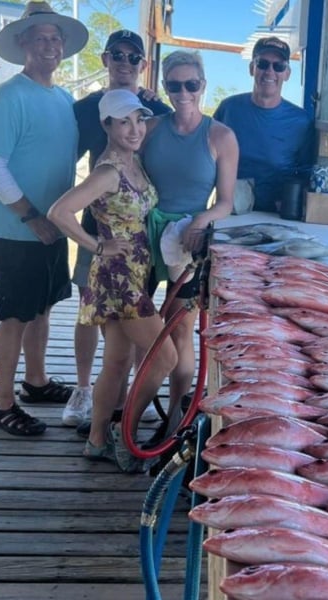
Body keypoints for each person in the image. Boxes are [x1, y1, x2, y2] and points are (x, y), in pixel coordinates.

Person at [0, 1, 87, 436]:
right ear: (23, 44)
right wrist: (29, 216)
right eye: (39, 37)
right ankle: (2, 405)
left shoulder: (63, 98)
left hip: (52, 226)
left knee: (43, 308)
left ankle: (35, 382)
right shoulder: (9, 96)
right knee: (16, 315)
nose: (49, 45)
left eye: (55, 38)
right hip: (18, 229)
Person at [48, 89, 175, 472]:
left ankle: (97, 438)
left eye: (139, 120)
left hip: (133, 272)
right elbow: (60, 211)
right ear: (107, 125)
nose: (135, 128)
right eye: (125, 121)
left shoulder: (132, 161)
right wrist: (96, 246)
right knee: (164, 357)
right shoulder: (108, 171)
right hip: (119, 280)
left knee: (118, 361)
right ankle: (126, 431)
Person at [63, 29, 171, 428]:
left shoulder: (152, 110)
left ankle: (118, 411)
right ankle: (83, 389)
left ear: (143, 65)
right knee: (87, 314)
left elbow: (178, 137)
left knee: (123, 346)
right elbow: (65, 167)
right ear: (106, 60)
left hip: (141, 243)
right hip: (102, 230)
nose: (125, 63)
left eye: (133, 57)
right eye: (118, 56)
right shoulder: (85, 108)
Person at [141, 50, 238, 443]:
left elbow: (226, 202)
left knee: (178, 333)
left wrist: (200, 221)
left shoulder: (220, 136)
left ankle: (175, 420)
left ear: (203, 86)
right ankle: (134, 404)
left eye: (191, 84)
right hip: (144, 237)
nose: (183, 92)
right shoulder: (148, 128)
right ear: (165, 87)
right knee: (139, 329)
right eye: (174, 85)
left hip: (190, 242)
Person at [213, 36, 313, 213]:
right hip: (230, 211)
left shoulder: (301, 121)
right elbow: (206, 156)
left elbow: (307, 171)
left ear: (287, 73)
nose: (270, 72)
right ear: (252, 68)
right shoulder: (228, 108)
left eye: (279, 66)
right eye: (263, 64)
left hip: (277, 215)